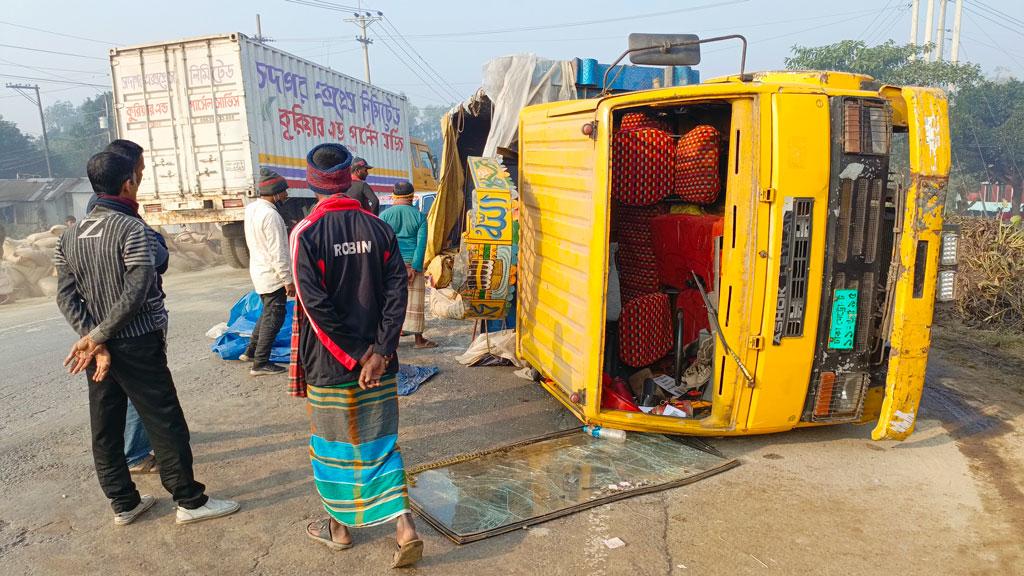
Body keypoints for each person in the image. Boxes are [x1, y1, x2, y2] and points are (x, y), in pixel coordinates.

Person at [56, 150, 238, 526]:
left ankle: (123, 503)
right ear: (128, 183)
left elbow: (65, 295)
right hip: (136, 341)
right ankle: (190, 501)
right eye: (139, 174)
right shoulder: (132, 229)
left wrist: (94, 339)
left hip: (99, 349)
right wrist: (101, 336)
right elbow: (137, 289)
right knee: (164, 421)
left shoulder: (69, 235)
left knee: (105, 425)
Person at [289, 143, 423, 568]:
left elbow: (316, 308)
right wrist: (380, 352)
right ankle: (405, 529)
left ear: (312, 183)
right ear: (350, 178)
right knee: (381, 443)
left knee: (334, 447)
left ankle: (340, 528)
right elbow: (395, 294)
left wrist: (359, 354)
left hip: (331, 364)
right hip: (379, 365)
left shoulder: (306, 233)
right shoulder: (378, 229)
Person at [105, 138, 165, 474]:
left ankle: (136, 444)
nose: (142, 176)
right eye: (140, 169)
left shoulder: (107, 209)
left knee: (128, 388)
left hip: (118, 316)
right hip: (131, 321)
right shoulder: (121, 214)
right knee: (136, 386)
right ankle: (136, 453)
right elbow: (154, 258)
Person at [240, 168, 294, 376]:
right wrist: (287, 280)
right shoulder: (271, 215)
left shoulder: (252, 209)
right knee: (274, 318)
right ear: (276, 193)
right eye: (284, 192)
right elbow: (278, 251)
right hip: (272, 275)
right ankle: (261, 363)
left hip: (260, 270)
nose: (286, 196)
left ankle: (251, 352)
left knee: (267, 313)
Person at [380, 181, 436, 348]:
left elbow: (382, 243)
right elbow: (421, 245)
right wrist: (414, 267)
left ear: (394, 195)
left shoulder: (384, 216)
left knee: (392, 301)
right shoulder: (420, 217)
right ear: (411, 196)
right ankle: (419, 340)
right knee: (415, 302)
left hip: (391, 265)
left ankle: (393, 339)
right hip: (413, 263)